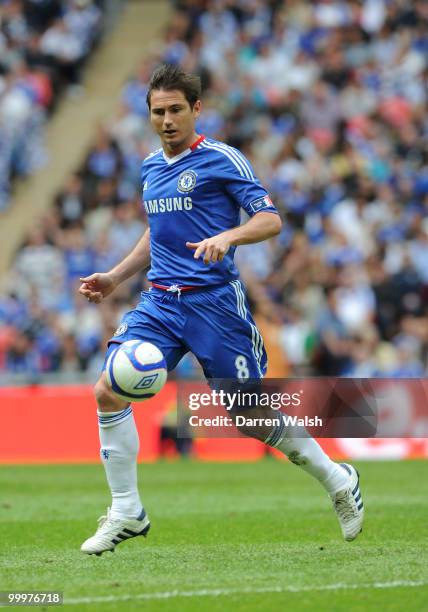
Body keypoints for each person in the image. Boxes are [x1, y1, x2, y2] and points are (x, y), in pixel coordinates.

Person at [78, 64, 364, 556]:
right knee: (107, 389)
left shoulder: (222, 159)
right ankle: (127, 510)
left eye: (174, 110)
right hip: (160, 302)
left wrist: (229, 235)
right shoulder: (150, 168)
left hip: (214, 306)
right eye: (157, 112)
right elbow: (158, 233)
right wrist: (115, 276)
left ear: (195, 109)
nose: (166, 120)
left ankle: (338, 479)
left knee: (247, 414)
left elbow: (270, 219)